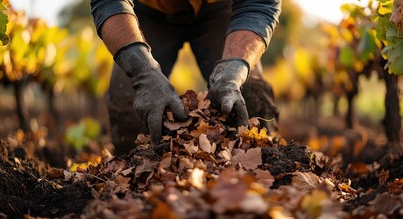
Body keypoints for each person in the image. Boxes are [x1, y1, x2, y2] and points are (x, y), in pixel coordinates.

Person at [90, 0, 281, 154]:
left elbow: (259, 4)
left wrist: (234, 71)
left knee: (247, 96)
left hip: (220, 8)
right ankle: (131, 181)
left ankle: (267, 169)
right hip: (148, 10)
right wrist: (144, 74)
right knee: (128, 103)